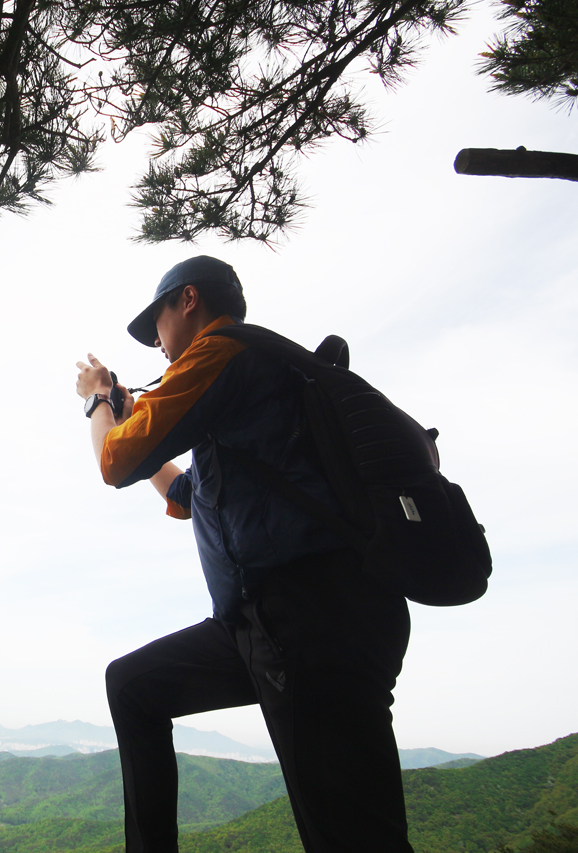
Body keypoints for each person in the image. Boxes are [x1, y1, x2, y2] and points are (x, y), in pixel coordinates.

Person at [75, 256, 414, 853]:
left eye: (155, 323)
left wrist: (98, 402)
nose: (155, 341)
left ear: (187, 301)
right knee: (134, 686)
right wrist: (133, 414)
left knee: (352, 834)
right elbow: (185, 494)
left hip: (310, 618)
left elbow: (115, 462)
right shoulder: (243, 388)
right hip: (265, 625)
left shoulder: (224, 353)